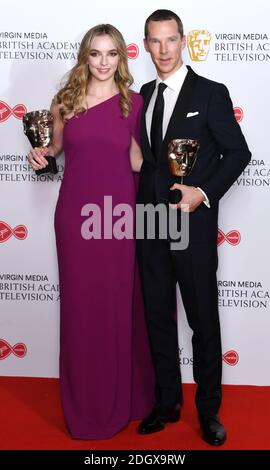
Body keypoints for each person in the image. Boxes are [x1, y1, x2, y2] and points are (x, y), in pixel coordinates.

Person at [28, 24, 154, 440]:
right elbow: (54, 150)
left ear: (121, 58)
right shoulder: (65, 102)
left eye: (111, 54)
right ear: (85, 57)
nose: (103, 63)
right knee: (82, 310)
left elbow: (138, 161)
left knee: (119, 306)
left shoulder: (133, 103)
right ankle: (86, 406)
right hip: (75, 219)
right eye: (96, 54)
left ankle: (127, 399)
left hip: (117, 220)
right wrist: (39, 153)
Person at [137, 9, 251, 445]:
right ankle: (167, 402)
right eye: (154, 41)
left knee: (203, 319)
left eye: (170, 40)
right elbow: (140, 160)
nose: (163, 50)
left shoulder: (211, 92)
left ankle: (208, 411)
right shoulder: (143, 95)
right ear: (145, 44)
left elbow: (238, 153)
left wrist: (201, 192)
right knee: (157, 315)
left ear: (183, 40)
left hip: (192, 224)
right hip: (149, 221)